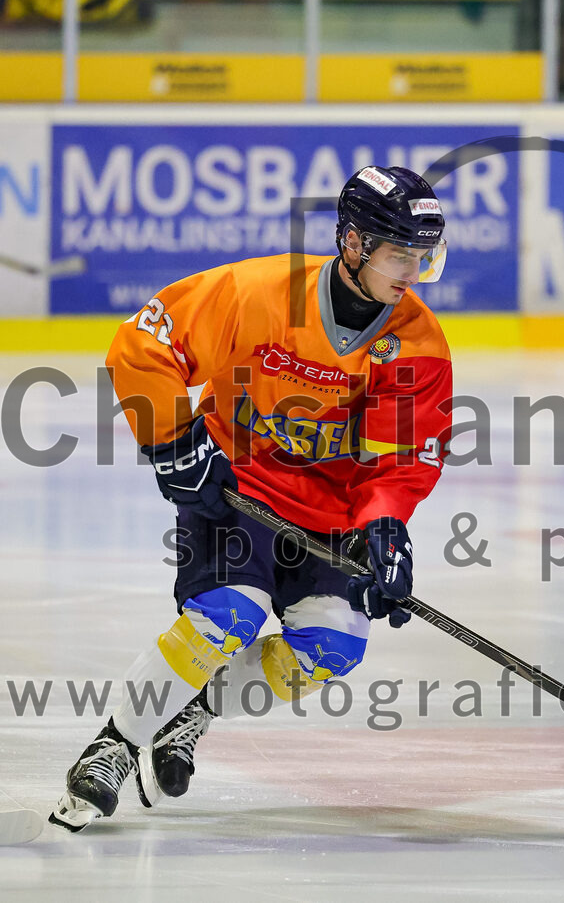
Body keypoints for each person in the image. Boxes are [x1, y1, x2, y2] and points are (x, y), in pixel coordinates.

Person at [50, 165, 453, 832]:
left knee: (333, 646)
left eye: (423, 257)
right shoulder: (257, 292)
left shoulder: (415, 343)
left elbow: (403, 456)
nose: (412, 271)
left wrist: (384, 528)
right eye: (399, 255)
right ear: (351, 245)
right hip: (238, 488)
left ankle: (194, 705)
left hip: (329, 515)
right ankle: (114, 746)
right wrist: (172, 439)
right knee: (228, 616)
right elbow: (144, 341)